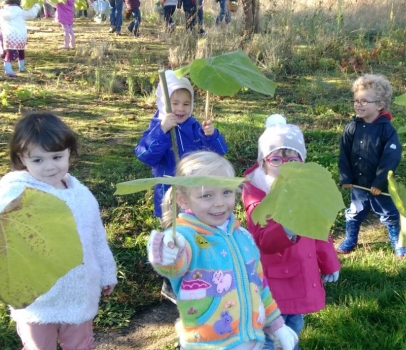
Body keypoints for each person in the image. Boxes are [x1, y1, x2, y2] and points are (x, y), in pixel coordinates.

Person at [0, 113, 118, 350]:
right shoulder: (18, 191)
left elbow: (96, 237)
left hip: (78, 289)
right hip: (36, 296)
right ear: (22, 159)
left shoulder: (81, 194)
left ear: (69, 153)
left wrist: (107, 272)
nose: (49, 167)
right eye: (38, 160)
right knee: (39, 346)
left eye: (57, 157)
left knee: (80, 344)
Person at [146, 151, 299, 350]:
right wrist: (167, 254)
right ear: (183, 200)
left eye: (226, 192)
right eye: (207, 195)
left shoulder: (242, 236)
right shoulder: (186, 238)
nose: (219, 203)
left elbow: (259, 285)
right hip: (207, 345)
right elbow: (174, 266)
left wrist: (277, 326)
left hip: (252, 342)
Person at [242, 114, 342, 350]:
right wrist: (287, 225)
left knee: (294, 326)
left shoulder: (306, 188)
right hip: (275, 282)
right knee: (271, 335)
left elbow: (319, 229)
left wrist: (329, 261)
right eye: (276, 159)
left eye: (292, 158)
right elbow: (262, 240)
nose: (285, 166)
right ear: (263, 162)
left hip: (302, 275)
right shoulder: (257, 193)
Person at [135, 70, 227, 303]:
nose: (181, 108)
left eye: (186, 103)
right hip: (169, 195)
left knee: (195, 231)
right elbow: (145, 155)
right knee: (173, 236)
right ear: (162, 102)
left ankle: (196, 271)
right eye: (174, 102)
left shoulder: (195, 126)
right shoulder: (158, 126)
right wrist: (162, 131)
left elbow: (218, 154)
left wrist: (211, 135)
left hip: (197, 193)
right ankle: (170, 281)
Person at [336, 74, 406, 258]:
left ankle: (397, 240)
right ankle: (350, 239)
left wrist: (380, 182)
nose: (359, 105)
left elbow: (390, 158)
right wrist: (346, 177)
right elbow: (344, 153)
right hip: (359, 183)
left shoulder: (387, 130)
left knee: (388, 213)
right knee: (354, 212)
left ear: (380, 105)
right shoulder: (352, 127)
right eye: (356, 100)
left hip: (379, 186)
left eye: (365, 101)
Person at [0, 0, 41, 77]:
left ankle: (8, 69)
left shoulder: (1, 12)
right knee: (21, 51)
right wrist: (37, 5)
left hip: (8, 35)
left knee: (8, 52)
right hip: (21, 35)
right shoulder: (20, 11)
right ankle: (22, 67)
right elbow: (31, 14)